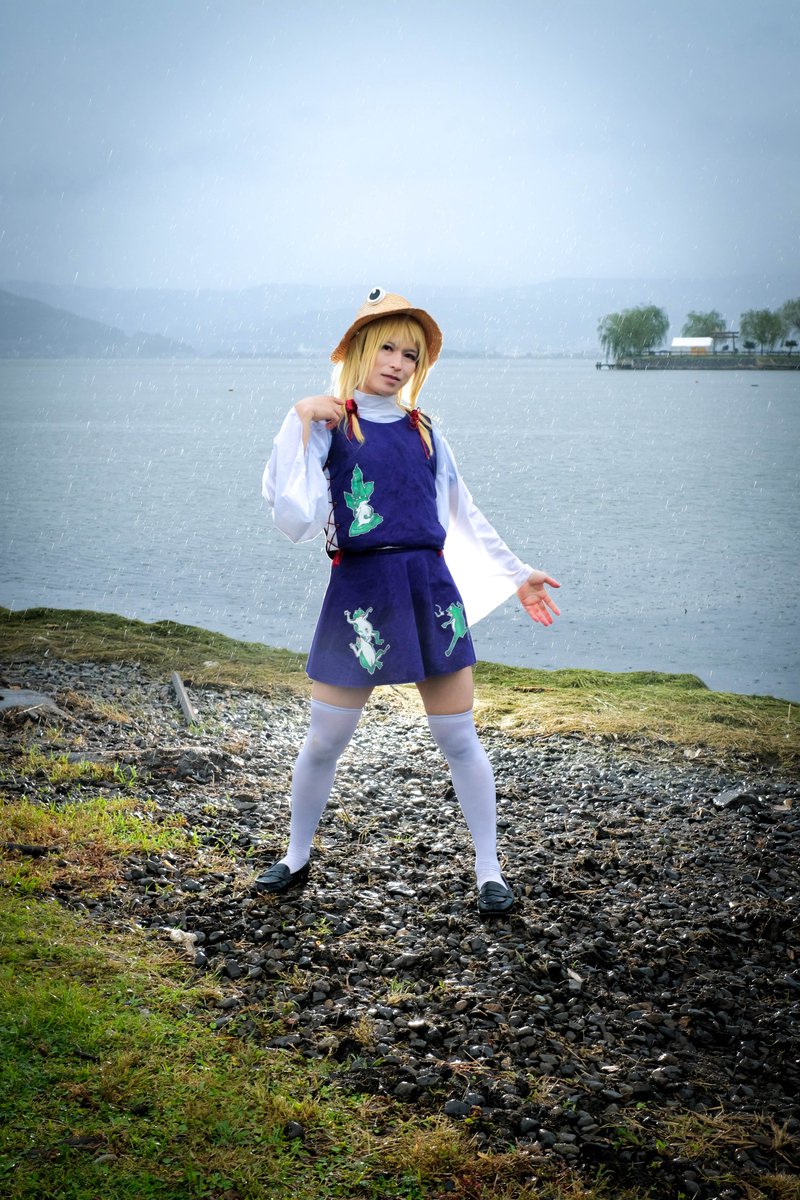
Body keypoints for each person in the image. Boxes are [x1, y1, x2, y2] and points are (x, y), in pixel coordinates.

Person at [258, 289, 560, 914]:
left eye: (411, 355)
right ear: (359, 350)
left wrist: (516, 574)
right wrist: (299, 419)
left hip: (428, 589)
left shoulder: (426, 432)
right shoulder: (330, 426)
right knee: (324, 741)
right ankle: (295, 854)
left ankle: (489, 869)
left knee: (459, 738)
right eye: (387, 348)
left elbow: (463, 513)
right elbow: (295, 517)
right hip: (360, 590)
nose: (397, 363)